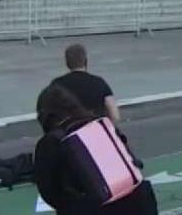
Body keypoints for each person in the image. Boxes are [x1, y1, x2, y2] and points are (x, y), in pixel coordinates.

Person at [34, 85, 158, 215]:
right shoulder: (101, 124)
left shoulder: (51, 142)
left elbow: (50, 192)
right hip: (137, 199)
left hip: (91, 207)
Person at [50, 44, 120, 122]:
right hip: (95, 129)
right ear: (86, 61)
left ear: (67, 63)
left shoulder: (57, 84)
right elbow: (115, 115)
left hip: (68, 130)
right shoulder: (99, 82)